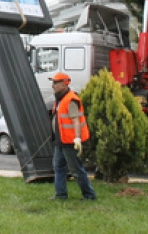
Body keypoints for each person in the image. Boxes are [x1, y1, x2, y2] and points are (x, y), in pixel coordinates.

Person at [49, 72, 96, 201]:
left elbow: (76, 120)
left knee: (76, 170)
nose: (53, 85)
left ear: (64, 85)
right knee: (58, 167)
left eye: (55, 83)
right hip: (61, 141)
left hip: (70, 142)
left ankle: (89, 195)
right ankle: (61, 195)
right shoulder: (60, 98)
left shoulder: (70, 100)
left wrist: (77, 138)